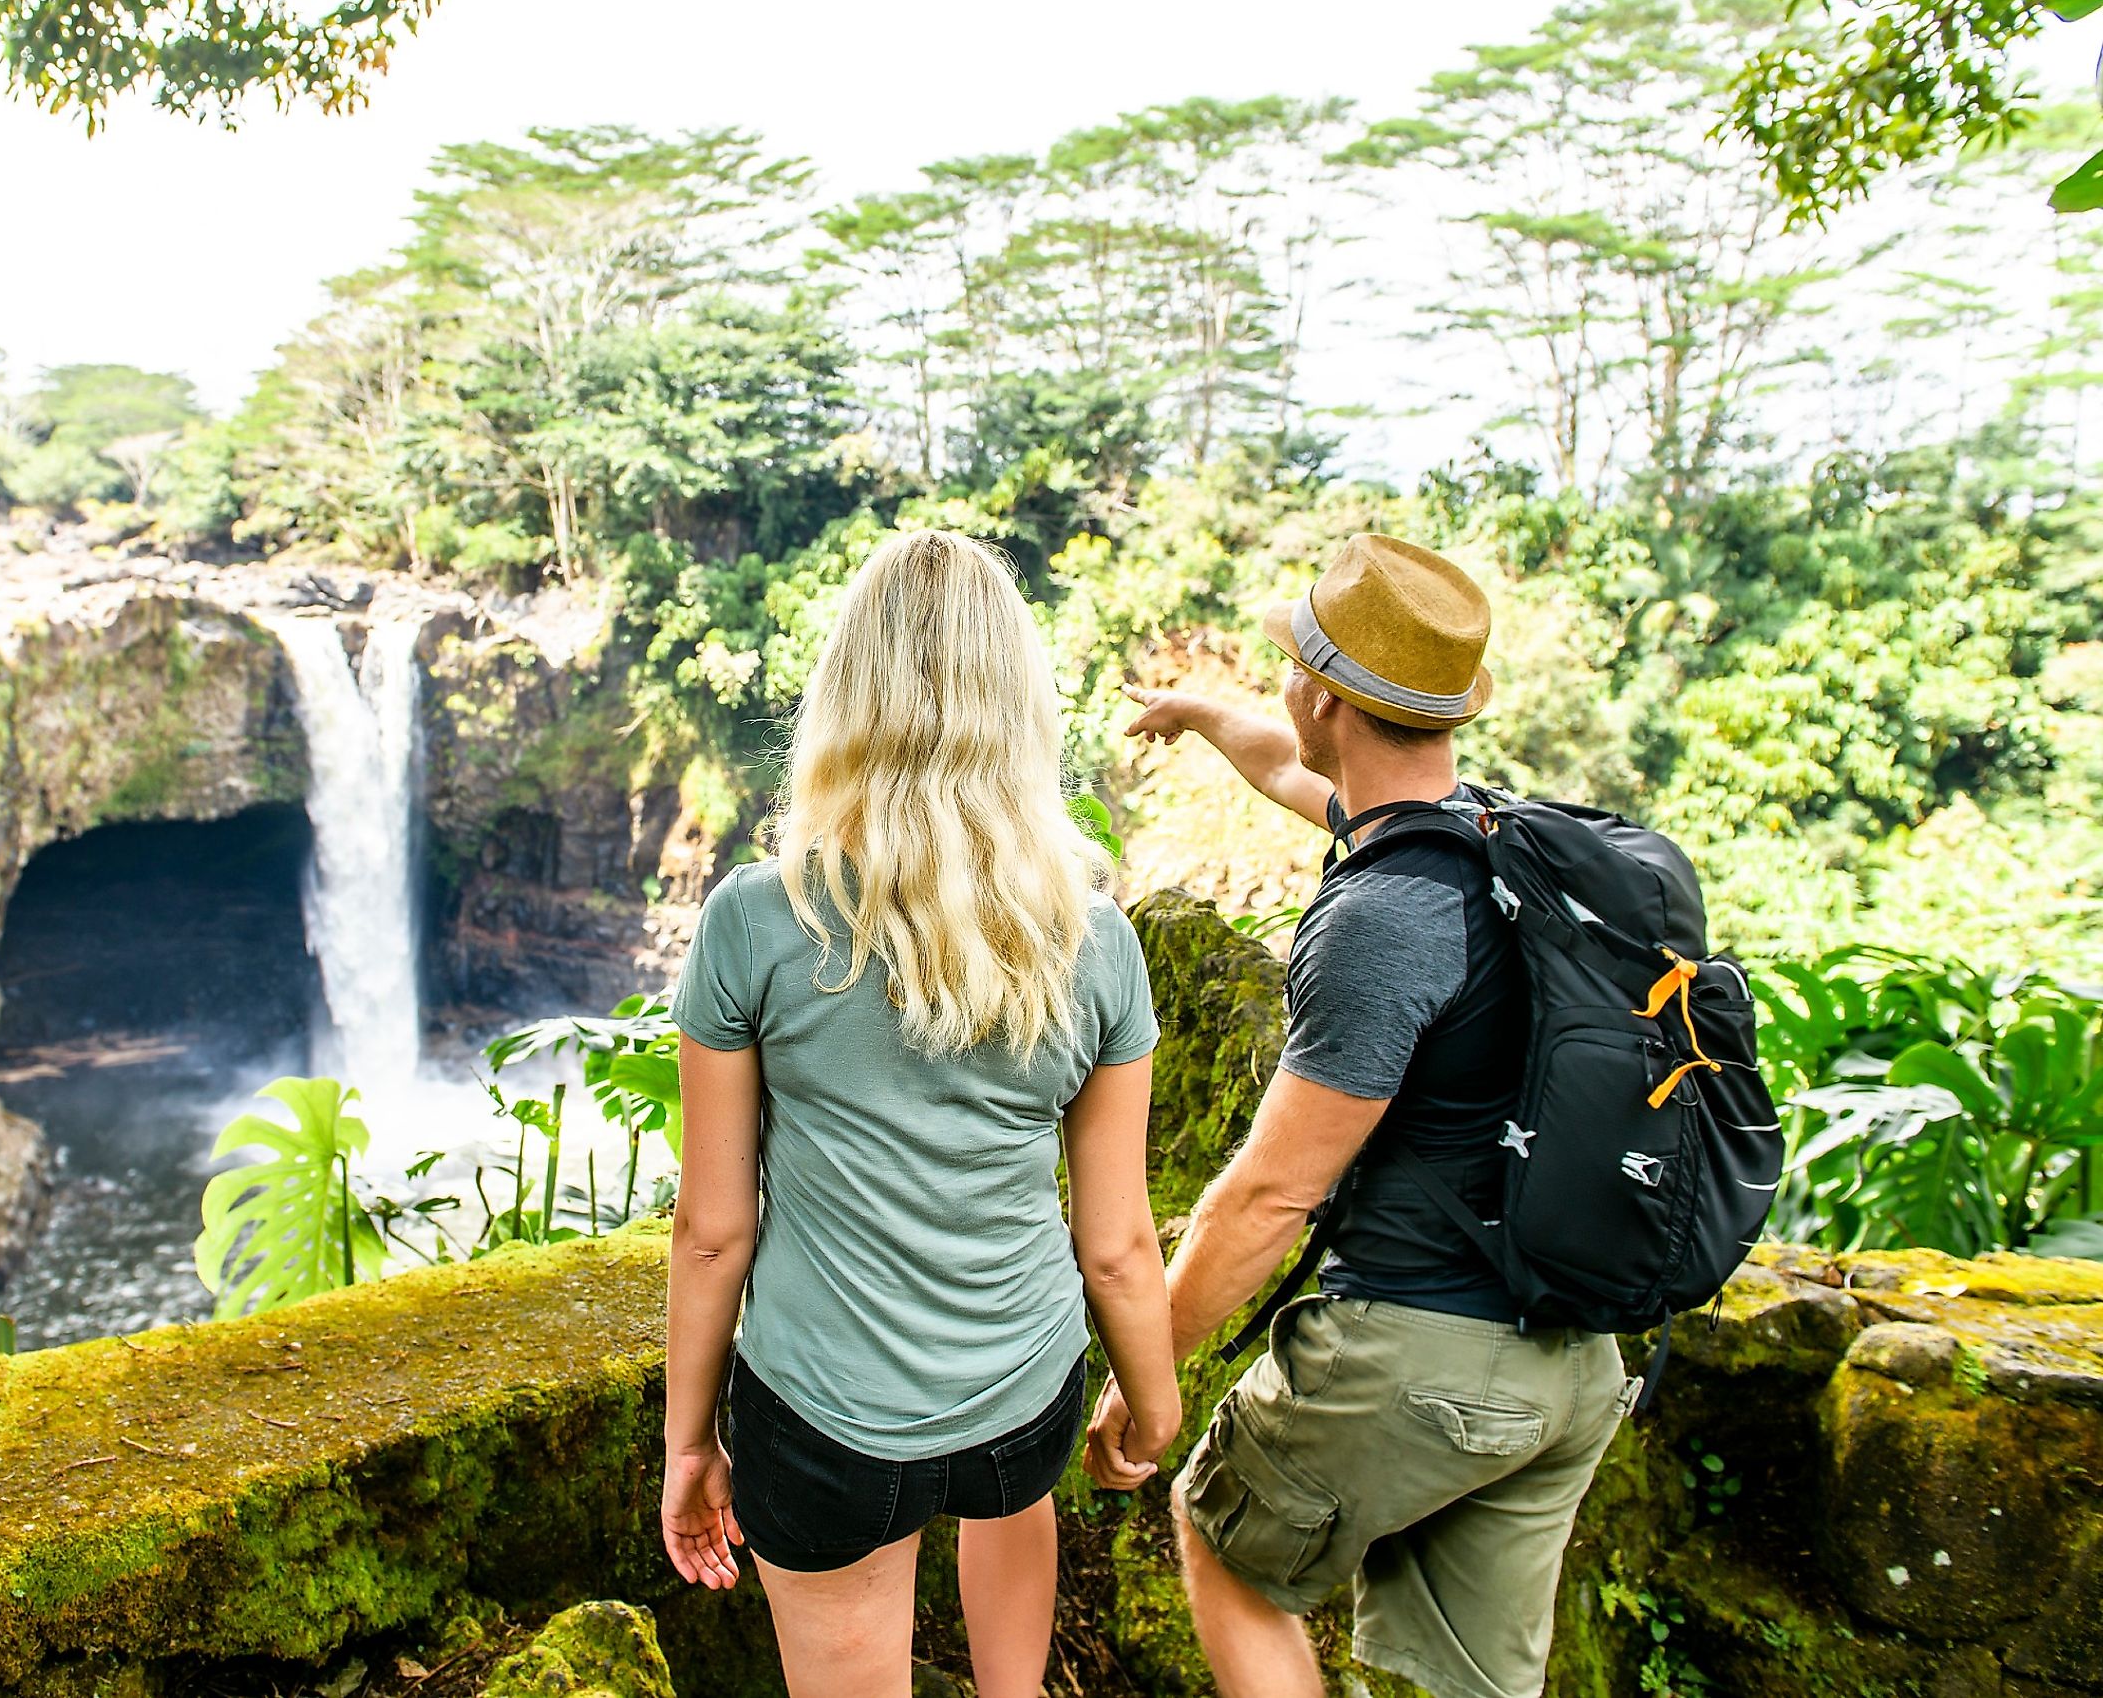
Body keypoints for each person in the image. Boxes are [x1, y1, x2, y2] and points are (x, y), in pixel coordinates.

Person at [1089, 534, 1631, 1698]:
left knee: (1228, 1541)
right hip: (1574, 1362)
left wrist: (1150, 1377)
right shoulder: (1496, 839)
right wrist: (1196, 709)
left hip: (1425, 1351)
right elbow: (1291, 767)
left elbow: (1273, 1195)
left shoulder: (1380, 918)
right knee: (1470, 1684)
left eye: (1294, 664)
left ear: (1324, 693)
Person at [658, 528, 1183, 1698]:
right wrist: (1151, 1409)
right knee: (1012, 1504)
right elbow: (1117, 1243)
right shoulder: (1094, 942)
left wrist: (689, 1442)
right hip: (1023, 1401)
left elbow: (713, 1230)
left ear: (846, 696)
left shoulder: (755, 919)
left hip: (826, 1422)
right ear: (1022, 707)